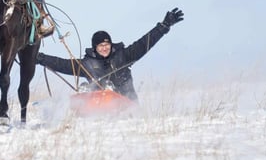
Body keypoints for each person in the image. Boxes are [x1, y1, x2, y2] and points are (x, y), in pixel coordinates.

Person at [36, 8, 185, 102]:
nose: (105, 48)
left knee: (108, 89)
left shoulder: (124, 56)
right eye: (101, 45)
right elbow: (62, 64)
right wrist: (39, 58)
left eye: (107, 45)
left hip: (125, 104)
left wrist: (164, 26)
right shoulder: (87, 64)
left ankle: (109, 91)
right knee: (88, 87)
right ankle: (88, 95)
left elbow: (144, 43)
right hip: (99, 108)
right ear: (95, 48)